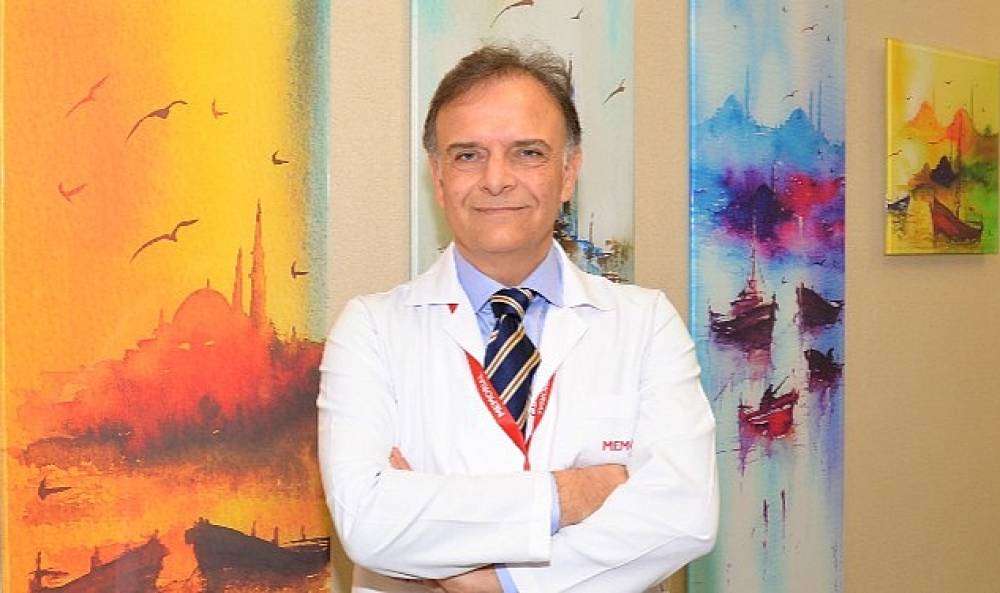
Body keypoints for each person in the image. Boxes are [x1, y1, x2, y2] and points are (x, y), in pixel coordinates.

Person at [318, 44, 718, 593]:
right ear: (438, 178)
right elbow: (367, 524)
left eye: (527, 153)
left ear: (569, 173)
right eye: (467, 155)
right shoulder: (370, 330)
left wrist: (499, 581)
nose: (496, 179)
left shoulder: (645, 324)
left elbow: (684, 516)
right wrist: (574, 493)